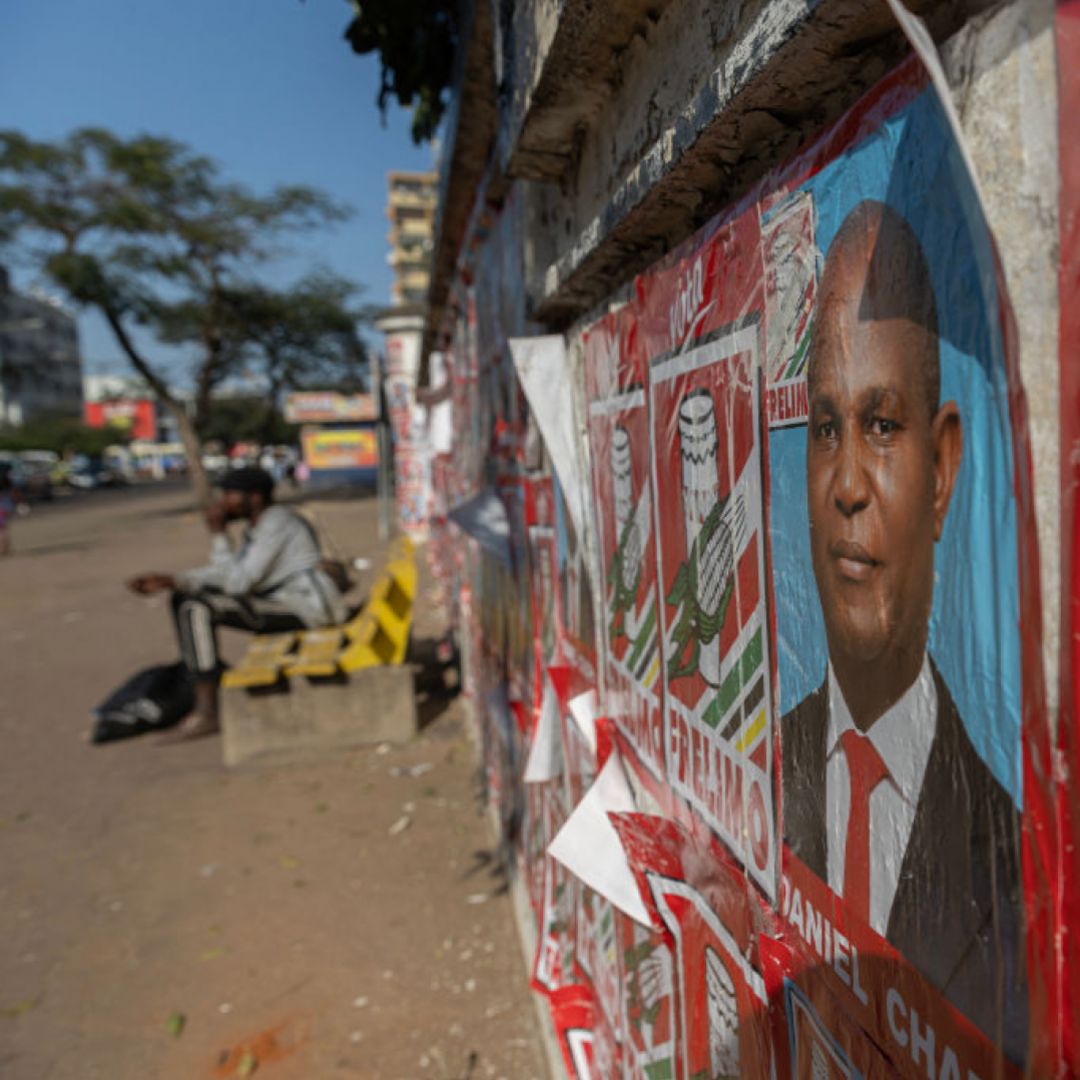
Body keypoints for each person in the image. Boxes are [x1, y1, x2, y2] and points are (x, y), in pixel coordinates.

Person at [780, 200, 1025, 1056]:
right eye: (824, 429)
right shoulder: (761, 771)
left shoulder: (1018, 873)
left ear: (943, 467)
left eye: (881, 426)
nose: (847, 482)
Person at [127, 467, 347, 741]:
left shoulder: (277, 523)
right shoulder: (260, 528)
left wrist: (219, 535)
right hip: (284, 602)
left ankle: (207, 710)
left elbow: (238, 583)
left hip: (308, 608)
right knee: (184, 598)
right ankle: (206, 689)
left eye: (230, 495)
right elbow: (228, 574)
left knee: (196, 607)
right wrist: (176, 580)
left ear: (254, 498)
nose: (223, 503)